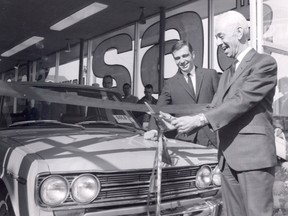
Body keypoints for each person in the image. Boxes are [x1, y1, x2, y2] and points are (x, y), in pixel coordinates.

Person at [162, 11, 277, 216]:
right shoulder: (228, 72)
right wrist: (179, 123)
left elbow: (241, 101)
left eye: (221, 36)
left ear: (239, 32)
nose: (218, 43)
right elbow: (213, 107)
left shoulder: (264, 63)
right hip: (227, 158)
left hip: (252, 158)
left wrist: (198, 119)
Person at [144, 40, 219, 147]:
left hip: (211, 139)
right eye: (177, 58)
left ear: (193, 55)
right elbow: (158, 109)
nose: (182, 61)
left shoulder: (210, 75)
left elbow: (222, 102)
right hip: (184, 140)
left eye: (185, 56)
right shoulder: (170, 84)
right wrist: (153, 130)